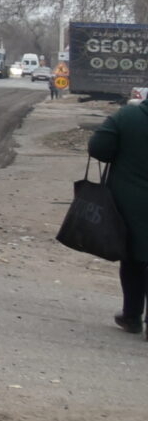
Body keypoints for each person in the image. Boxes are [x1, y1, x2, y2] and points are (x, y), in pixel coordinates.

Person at [90, 91, 148, 334]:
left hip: (130, 201)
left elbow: (98, 148)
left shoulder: (128, 116)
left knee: (134, 258)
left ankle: (132, 316)